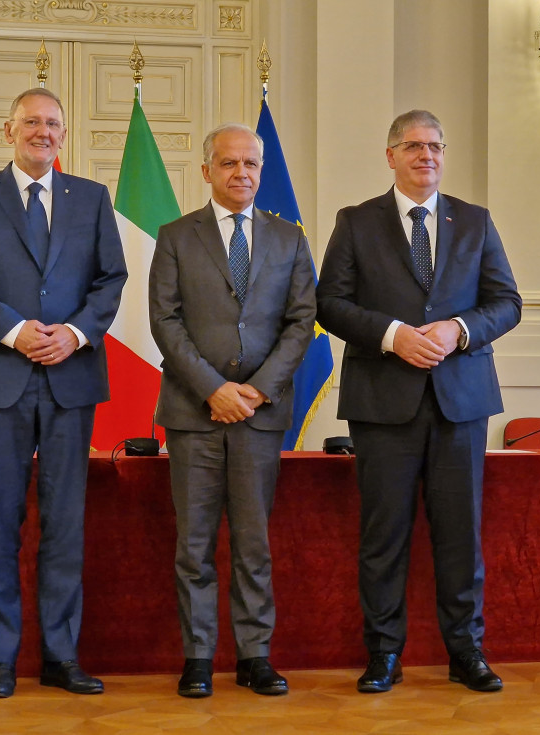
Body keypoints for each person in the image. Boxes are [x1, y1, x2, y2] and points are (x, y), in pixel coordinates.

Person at [316, 109, 521, 694]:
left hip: (461, 401)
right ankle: (383, 654)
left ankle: (466, 653)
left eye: (434, 146)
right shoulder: (356, 222)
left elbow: (507, 302)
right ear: (390, 156)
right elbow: (329, 302)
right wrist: (391, 335)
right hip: (383, 404)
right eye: (412, 146)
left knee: (461, 534)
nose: (425, 155)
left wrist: (458, 330)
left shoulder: (475, 221)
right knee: (384, 536)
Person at [0, 88, 127, 699]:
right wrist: (18, 331)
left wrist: (74, 334)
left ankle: (60, 656)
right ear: (8, 130)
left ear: (64, 135)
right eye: (31, 123)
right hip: (1, 379)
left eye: (52, 124)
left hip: (70, 380)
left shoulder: (93, 199)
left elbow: (111, 279)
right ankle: (0, 659)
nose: (42, 132)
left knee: (65, 524)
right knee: (0, 522)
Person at [148, 123, 316, 698]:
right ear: (206, 171)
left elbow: (301, 324)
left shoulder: (289, 239)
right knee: (194, 545)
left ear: (260, 172)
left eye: (250, 164)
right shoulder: (175, 235)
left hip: (260, 415)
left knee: (253, 543)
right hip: (195, 413)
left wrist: (258, 390)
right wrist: (213, 389)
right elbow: (165, 322)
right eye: (228, 163)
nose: (240, 173)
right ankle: (198, 657)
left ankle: (254, 655)